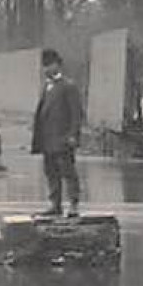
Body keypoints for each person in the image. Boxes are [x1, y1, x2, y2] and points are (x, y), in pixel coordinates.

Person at [30, 48, 84, 219]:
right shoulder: (46, 86)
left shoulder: (68, 86)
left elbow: (76, 113)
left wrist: (73, 134)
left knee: (68, 172)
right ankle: (55, 204)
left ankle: (74, 204)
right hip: (48, 139)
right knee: (51, 172)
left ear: (58, 65)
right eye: (44, 66)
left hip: (63, 139)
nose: (46, 69)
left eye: (49, 65)